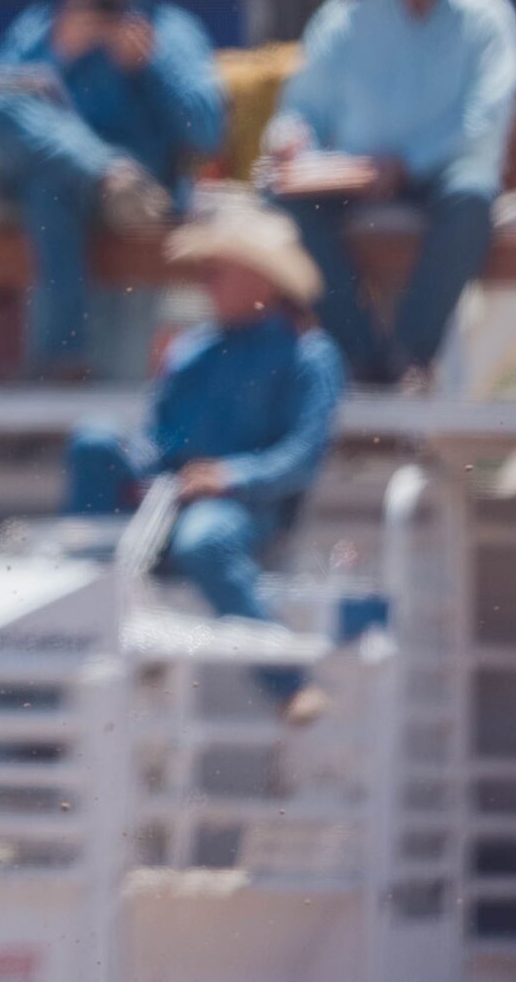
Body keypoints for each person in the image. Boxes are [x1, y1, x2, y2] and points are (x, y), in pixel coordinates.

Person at [64, 199, 345, 719]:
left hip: (247, 510)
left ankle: (288, 683)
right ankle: (84, 633)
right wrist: (140, 466)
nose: (206, 280)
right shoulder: (192, 349)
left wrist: (228, 477)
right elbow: (157, 438)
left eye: (219, 269)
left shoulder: (309, 355)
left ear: (261, 279)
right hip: (170, 498)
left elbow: (302, 457)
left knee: (205, 538)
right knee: (94, 442)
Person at [265, 0, 516, 392]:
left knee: (472, 197)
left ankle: (407, 356)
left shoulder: (486, 14)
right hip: (356, 175)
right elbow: (301, 109)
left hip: (442, 174)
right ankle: (364, 358)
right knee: (283, 201)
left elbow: (485, 119)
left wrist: (405, 163)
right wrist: (291, 141)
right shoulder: (346, 17)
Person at [0, 0, 226, 380]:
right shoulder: (41, 29)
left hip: (145, 202)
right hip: (78, 195)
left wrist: (150, 66)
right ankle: (106, 171)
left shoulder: (167, 29)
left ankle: (60, 366)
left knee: (50, 189)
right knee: (30, 145)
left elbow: (208, 132)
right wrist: (56, 55)